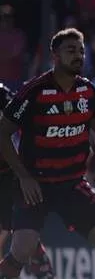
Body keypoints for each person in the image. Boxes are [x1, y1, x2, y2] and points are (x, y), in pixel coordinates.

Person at [0, 28, 95, 279]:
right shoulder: (34, 92)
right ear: (55, 55)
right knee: (22, 249)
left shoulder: (87, 91)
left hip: (72, 184)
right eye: (71, 50)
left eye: (82, 51)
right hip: (36, 187)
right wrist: (23, 176)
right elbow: (2, 133)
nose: (78, 56)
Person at [0, 82, 54, 279]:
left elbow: (24, 120)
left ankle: (41, 265)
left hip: (10, 173)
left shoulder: (3, 95)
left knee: (15, 229)